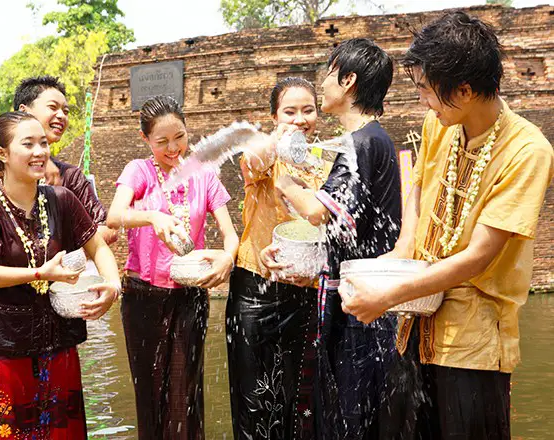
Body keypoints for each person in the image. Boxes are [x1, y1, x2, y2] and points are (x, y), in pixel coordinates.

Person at [341, 12, 554, 440]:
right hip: (415, 326)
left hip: (473, 345)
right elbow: (418, 192)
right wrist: (401, 253)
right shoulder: (439, 125)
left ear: (464, 89)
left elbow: (477, 256)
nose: (422, 101)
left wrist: (389, 294)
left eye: (426, 90)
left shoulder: (527, 150)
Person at [262, 38, 422, 439]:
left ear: (348, 80)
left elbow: (321, 211)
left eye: (329, 74)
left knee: (354, 422)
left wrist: (285, 183)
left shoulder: (362, 142)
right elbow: (345, 229)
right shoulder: (370, 141)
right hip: (358, 305)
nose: (324, 83)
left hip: (363, 316)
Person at [0, 111, 122, 439]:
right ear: (2, 154)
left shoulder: (62, 200)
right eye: (27, 144)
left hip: (57, 342)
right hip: (1, 348)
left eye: (43, 143)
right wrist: (38, 273)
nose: (40, 152)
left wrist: (113, 285)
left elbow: (98, 248)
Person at [106, 95, 239, 440]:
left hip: (189, 297)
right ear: (145, 140)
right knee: (150, 395)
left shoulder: (205, 174)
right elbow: (115, 215)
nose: (172, 148)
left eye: (179, 137)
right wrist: (152, 216)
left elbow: (229, 234)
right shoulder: (139, 172)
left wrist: (227, 257)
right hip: (142, 298)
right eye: (162, 141)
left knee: (185, 394)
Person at [226, 77, 334, 440]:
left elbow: (329, 228)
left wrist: (320, 270)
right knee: (256, 401)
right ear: (274, 116)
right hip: (256, 290)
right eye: (289, 111)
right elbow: (252, 159)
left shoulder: (323, 161)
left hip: (305, 292)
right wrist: (280, 138)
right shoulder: (265, 152)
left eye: (308, 110)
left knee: (301, 400)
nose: (300, 119)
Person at [0, 75, 116, 244]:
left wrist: (63, 260)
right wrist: (28, 162)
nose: (61, 115)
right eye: (52, 107)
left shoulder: (69, 176)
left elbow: (106, 230)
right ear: (23, 111)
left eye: (66, 111)